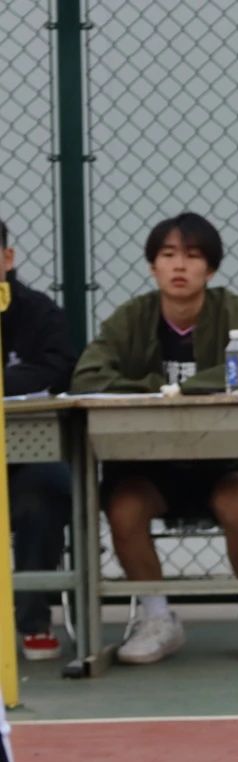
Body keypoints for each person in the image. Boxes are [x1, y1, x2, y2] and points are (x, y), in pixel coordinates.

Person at [71, 213, 238, 664]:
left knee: (235, 503)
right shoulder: (131, 318)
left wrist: (185, 389)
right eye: (168, 255)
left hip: (223, 458)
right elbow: (88, 375)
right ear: (153, 267)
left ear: (211, 268)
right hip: (149, 462)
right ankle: (157, 617)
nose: (179, 266)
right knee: (123, 508)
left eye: (192, 256)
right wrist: (155, 388)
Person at [1, 216, 77, 661]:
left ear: (8, 258)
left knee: (47, 488)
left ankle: (33, 620)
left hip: (25, 460)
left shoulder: (38, 313)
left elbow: (58, 369)